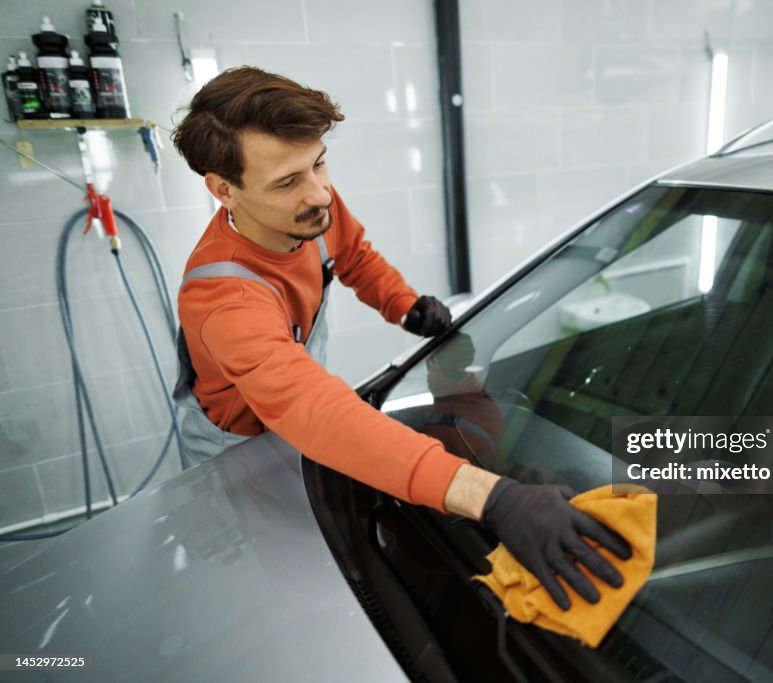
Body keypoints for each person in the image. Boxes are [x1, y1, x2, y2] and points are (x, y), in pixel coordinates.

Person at [170, 66, 631, 610]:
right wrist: (494, 497)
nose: (319, 192)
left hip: (298, 419)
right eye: (288, 181)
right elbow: (314, 410)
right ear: (223, 189)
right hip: (238, 451)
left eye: (319, 163)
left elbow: (353, 256)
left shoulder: (311, 207)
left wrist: (405, 306)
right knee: (283, 584)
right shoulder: (223, 300)